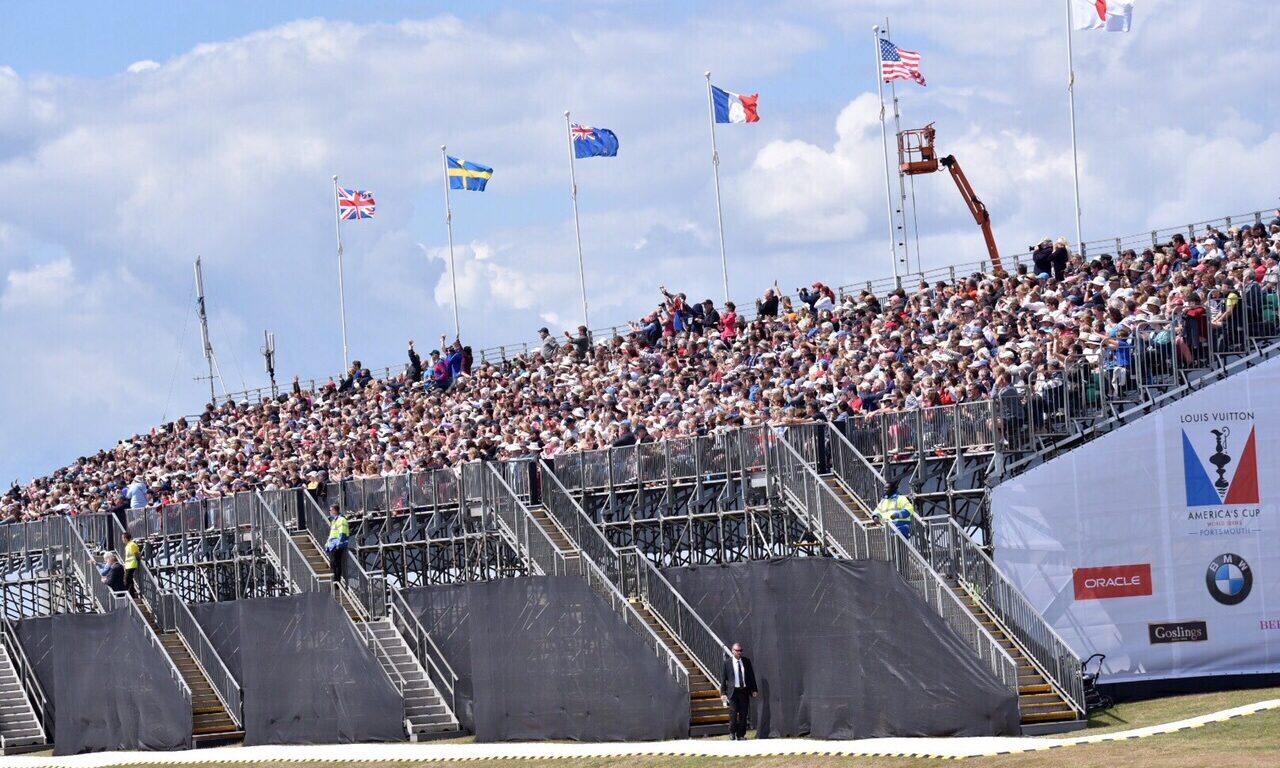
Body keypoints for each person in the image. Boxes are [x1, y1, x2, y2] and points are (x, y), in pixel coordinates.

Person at [720, 642, 759, 740]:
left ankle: (741, 734)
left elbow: (751, 676)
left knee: (743, 713)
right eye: (737, 651)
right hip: (733, 691)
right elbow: (723, 679)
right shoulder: (727, 663)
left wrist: (754, 689)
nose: (739, 653)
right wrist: (723, 693)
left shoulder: (746, 661)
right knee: (733, 712)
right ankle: (732, 732)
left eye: (741, 651)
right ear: (732, 651)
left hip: (744, 691)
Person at [324, 503, 350, 589]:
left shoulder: (341, 520)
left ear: (335, 511)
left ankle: (336, 582)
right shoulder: (334, 520)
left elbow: (342, 533)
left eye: (331, 510)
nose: (330, 512)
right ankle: (335, 581)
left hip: (336, 545)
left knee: (336, 563)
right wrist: (327, 543)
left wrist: (339, 544)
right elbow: (332, 534)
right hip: (332, 545)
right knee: (333, 563)